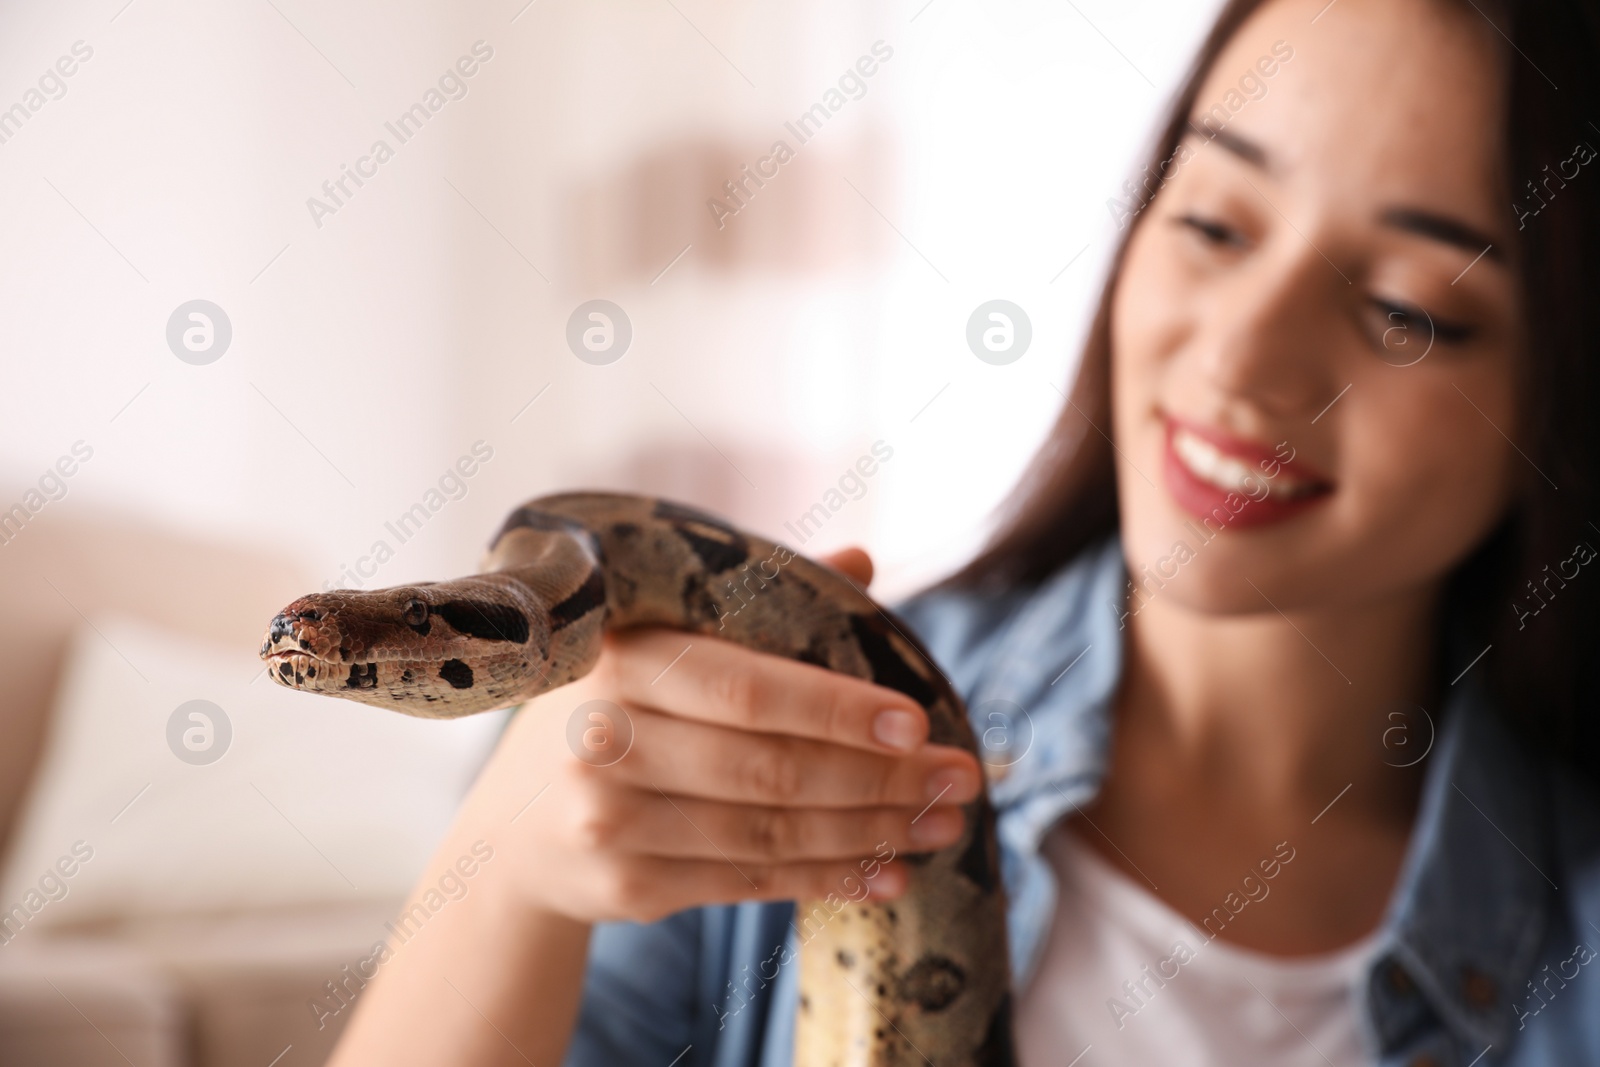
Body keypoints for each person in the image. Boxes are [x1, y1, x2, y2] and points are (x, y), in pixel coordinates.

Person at [329, 0, 1600, 1062]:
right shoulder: (712, 744)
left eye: (1405, 308)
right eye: (1213, 221)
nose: (1243, 355)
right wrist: (505, 873)